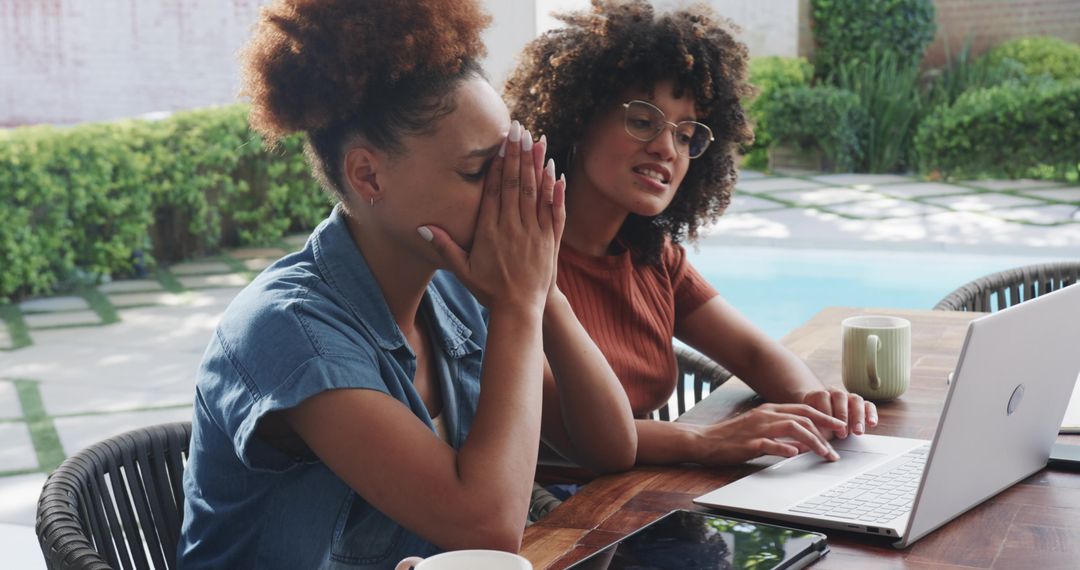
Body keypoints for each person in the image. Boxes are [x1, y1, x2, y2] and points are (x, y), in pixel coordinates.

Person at [178, 1, 636, 567]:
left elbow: (611, 447)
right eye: (477, 172)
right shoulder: (290, 331)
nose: (505, 194)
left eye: (510, 165)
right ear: (368, 175)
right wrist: (519, 303)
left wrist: (543, 288)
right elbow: (488, 528)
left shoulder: (452, 288)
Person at [503, 0, 874, 476]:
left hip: (642, 492)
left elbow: (755, 353)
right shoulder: (515, 259)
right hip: (554, 515)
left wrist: (816, 404)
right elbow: (569, 436)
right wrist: (704, 439)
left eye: (686, 136)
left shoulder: (654, 258)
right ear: (577, 116)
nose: (665, 148)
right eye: (643, 120)